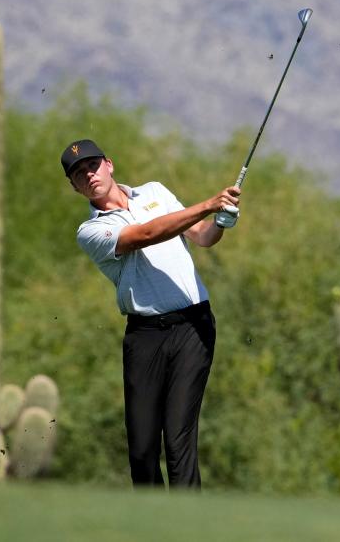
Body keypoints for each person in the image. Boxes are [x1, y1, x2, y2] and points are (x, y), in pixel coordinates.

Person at [62, 139, 240, 488]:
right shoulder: (91, 231)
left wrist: (220, 220)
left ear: (109, 164)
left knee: (178, 440)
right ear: (74, 186)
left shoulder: (155, 192)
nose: (89, 174)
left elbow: (202, 237)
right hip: (144, 336)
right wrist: (208, 203)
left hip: (193, 326)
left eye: (93, 165)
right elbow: (145, 234)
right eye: (79, 173)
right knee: (142, 449)